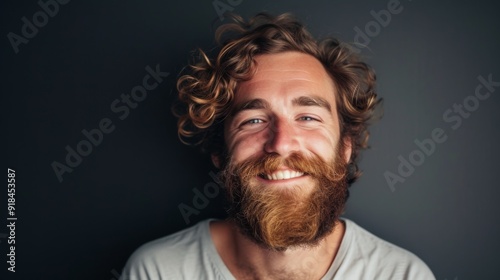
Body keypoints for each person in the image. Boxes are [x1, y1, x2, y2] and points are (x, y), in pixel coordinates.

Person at [121, 13, 435, 279]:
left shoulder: (401, 274)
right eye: (254, 120)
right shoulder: (158, 270)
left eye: (308, 117)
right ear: (220, 151)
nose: (281, 144)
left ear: (345, 149)